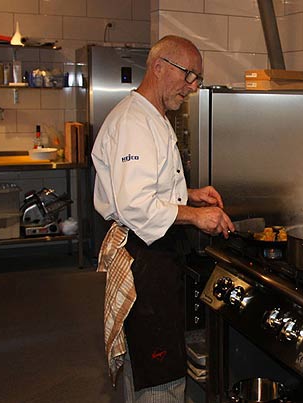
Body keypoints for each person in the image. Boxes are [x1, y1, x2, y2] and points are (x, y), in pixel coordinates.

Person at [91, 35, 235, 403]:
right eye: (189, 75)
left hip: (155, 253)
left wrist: (189, 194)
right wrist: (196, 216)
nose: (193, 86)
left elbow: (148, 187)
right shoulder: (134, 123)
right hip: (144, 257)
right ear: (159, 67)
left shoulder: (153, 117)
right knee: (159, 374)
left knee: (146, 363)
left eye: (197, 78)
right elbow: (136, 205)